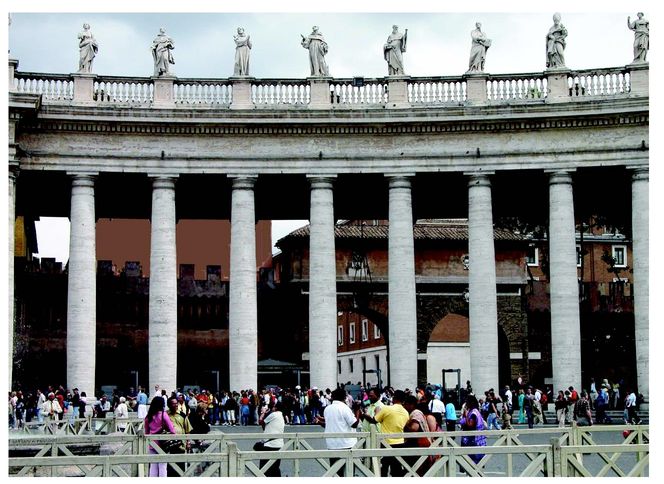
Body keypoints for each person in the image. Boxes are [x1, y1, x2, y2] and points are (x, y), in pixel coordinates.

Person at [361, 389, 409, 477]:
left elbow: (374, 420)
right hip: (400, 442)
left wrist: (369, 414)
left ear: (394, 398)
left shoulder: (386, 408)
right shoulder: (406, 412)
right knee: (396, 468)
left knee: (383, 468)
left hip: (386, 443)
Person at [315, 387, 360, 477]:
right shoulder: (344, 408)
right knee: (349, 473)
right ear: (344, 397)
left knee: (336, 474)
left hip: (332, 445)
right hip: (347, 445)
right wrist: (357, 411)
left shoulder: (327, 409)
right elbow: (354, 424)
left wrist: (319, 422)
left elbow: (329, 425)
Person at [403, 394, 438, 476]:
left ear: (411, 405)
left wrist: (405, 427)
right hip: (419, 444)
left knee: (419, 470)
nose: (405, 407)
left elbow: (414, 428)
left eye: (406, 404)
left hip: (419, 444)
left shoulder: (416, 413)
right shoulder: (415, 413)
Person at [144, 395, 175, 477]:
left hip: (152, 443)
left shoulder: (148, 416)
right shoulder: (163, 415)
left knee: (153, 466)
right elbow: (172, 430)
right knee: (162, 466)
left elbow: (146, 432)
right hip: (163, 444)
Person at [255, 400, 285, 477]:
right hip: (279, 444)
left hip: (269, 445)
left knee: (264, 468)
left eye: (274, 406)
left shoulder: (274, 414)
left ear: (276, 407)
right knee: (275, 468)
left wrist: (263, 412)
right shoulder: (280, 415)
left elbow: (261, 421)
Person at [459, 394, 487, 464]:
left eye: (467, 402)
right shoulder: (473, 411)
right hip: (473, 440)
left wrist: (465, 415)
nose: (466, 404)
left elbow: (470, 425)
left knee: (472, 462)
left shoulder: (473, 413)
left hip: (473, 441)